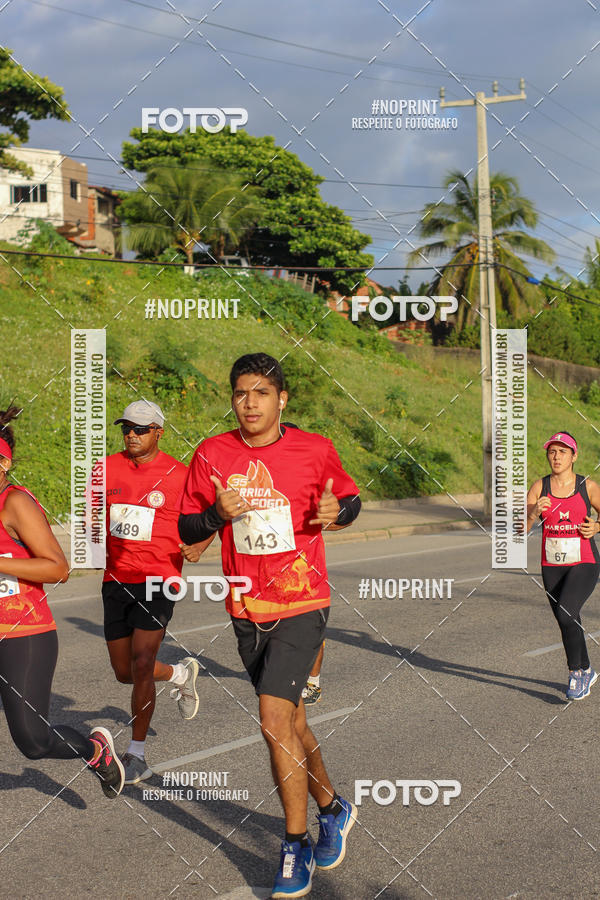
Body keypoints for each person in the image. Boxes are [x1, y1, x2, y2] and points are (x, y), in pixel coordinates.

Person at [179, 353, 361, 898]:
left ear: (282, 399)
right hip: (245, 607)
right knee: (293, 723)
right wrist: (217, 515)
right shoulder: (212, 455)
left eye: (261, 392)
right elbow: (189, 524)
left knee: (271, 716)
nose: (249, 402)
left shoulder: (314, 448)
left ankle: (294, 842)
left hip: (304, 600)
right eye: (240, 393)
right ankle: (333, 806)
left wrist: (340, 512)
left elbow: (350, 498)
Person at [0, 407, 124, 797]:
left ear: (4, 462)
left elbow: (57, 568)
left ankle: (95, 750)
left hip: (23, 634)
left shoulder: (13, 503)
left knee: (34, 742)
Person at [99, 400, 210, 785]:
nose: (132, 434)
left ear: (159, 432)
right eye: (127, 427)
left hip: (159, 578)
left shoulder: (181, 475)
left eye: (141, 429)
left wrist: (201, 544)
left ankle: (137, 754)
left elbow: (212, 512)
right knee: (124, 672)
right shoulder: (106, 467)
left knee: (143, 662)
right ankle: (179, 674)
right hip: (115, 580)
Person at [526, 431, 600, 700]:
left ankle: (576, 673)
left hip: (584, 561)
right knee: (567, 618)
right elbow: (522, 528)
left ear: (574, 456)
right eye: (551, 452)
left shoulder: (587, 487)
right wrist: (534, 512)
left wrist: (597, 526)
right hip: (552, 564)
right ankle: (587, 669)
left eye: (562, 452)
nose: (556, 457)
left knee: (567, 613)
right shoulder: (539, 487)